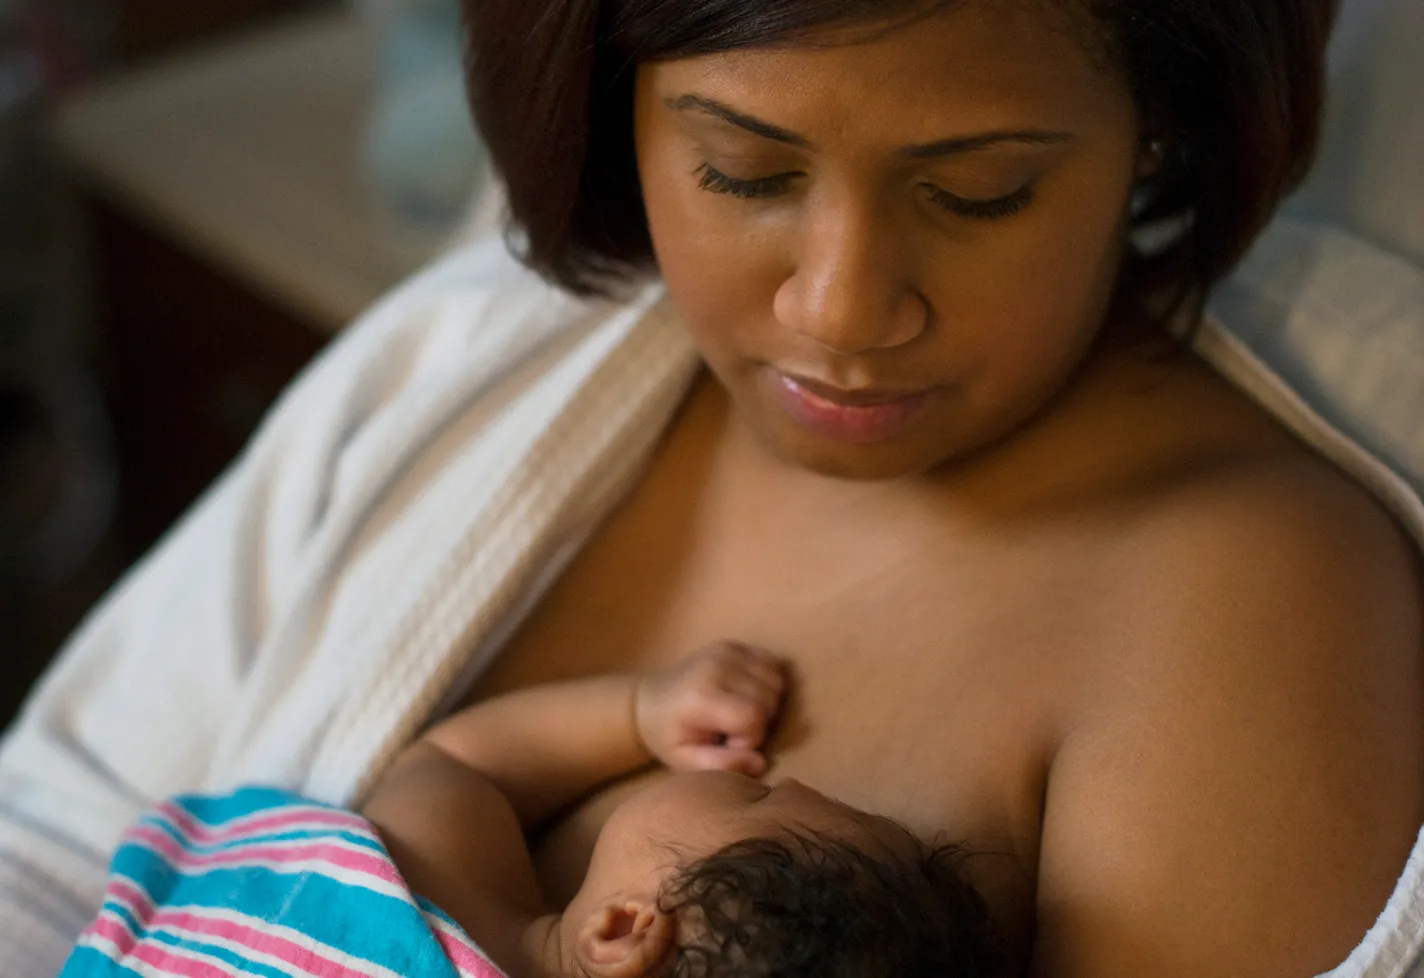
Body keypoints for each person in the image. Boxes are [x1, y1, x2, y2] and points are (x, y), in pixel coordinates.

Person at [2, 0, 1422, 976]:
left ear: (1155, 132)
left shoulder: (1242, 603)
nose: (843, 308)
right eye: (742, 170)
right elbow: (61, 826)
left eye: (981, 190)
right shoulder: (491, 351)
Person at [60, 643, 1011, 977]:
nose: (773, 773)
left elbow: (459, 758)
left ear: (626, 928)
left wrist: (641, 710)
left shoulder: (444, 879)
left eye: (755, 795)